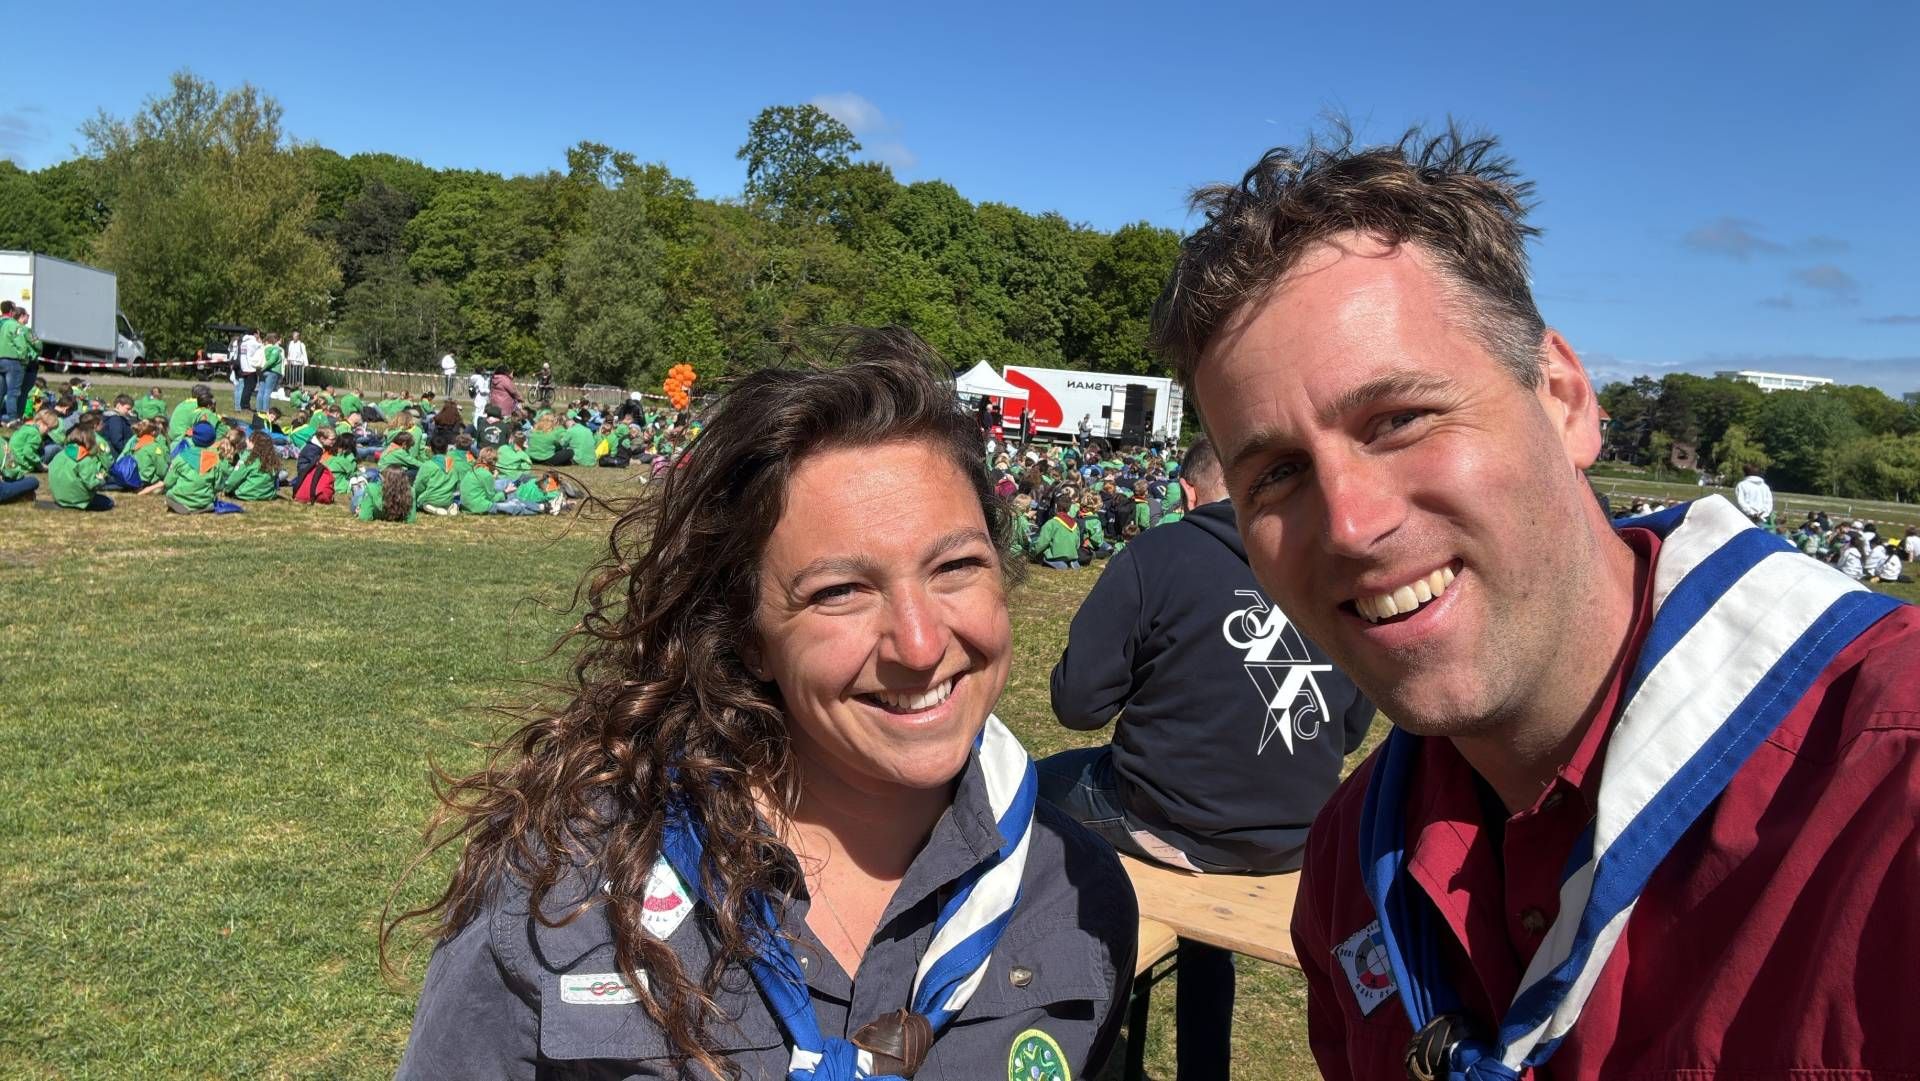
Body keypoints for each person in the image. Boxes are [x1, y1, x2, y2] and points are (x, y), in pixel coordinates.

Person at [1155, 125, 1920, 1080]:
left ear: (1562, 397)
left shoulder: (1886, 784)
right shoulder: (1353, 863)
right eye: (1275, 474)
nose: (1349, 524)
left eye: (1400, 418)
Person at [388, 328, 1135, 1081]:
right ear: (750, 638)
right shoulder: (562, 889)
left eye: (955, 566)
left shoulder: (1078, 894)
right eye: (840, 590)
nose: (918, 644)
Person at [1042, 434, 1374, 1081]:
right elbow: (1353, 728)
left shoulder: (1158, 553)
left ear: (1188, 493)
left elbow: (1077, 704)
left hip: (1169, 823)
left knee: (1025, 790)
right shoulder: (1331, 563)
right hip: (1291, 839)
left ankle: (1053, 1016)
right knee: (1204, 940)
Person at [163, 422, 228, 514]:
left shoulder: (181, 457)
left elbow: (167, 482)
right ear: (212, 441)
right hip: (205, 503)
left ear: (193, 437)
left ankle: (184, 505)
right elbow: (218, 486)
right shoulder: (215, 460)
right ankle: (201, 506)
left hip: (180, 501)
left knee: (169, 495)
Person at [0, 302, 40, 423]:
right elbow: (21, 346)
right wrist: (24, 359)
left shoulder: (3, 325)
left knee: (1, 391)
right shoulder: (16, 326)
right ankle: (13, 419)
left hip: (1, 359)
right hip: (13, 361)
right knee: (13, 392)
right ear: (12, 312)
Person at [224, 434, 284, 501]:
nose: (246, 441)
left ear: (255, 444)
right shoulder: (272, 459)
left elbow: (233, 480)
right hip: (268, 495)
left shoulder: (247, 458)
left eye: (250, 440)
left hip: (246, 494)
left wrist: (226, 489)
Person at [234, 328, 262, 413]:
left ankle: (244, 405)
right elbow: (261, 347)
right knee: (250, 387)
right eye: (258, 334)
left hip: (244, 367)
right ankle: (245, 405)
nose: (258, 336)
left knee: (246, 387)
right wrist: (259, 340)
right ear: (254, 334)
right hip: (251, 368)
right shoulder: (252, 342)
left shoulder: (244, 342)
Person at [256, 333, 286, 411]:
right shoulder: (275, 349)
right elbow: (272, 360)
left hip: (263, 372)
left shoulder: (264, 349)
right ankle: (265, 411)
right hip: (272, 371)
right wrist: (264, 368)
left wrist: (261, 369)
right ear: (274, 340)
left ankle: (259, 410)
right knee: (267, 392)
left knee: (261, 391)